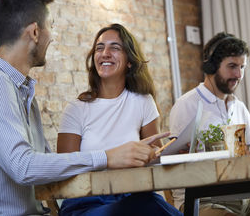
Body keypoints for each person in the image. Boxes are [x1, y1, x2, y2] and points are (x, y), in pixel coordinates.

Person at [0, 0, 168, 215]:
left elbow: (48, 164)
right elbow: (23, 167)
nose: (52, 36)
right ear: (35, 32)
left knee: (147, 205)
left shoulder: (21, 91)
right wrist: (107, 157)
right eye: (50, 26)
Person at [56, 23, 182, 216]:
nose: (105, 53)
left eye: (114, 48)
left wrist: (165, 152)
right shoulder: (76, 109)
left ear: (129, 61)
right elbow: (64, 170)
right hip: (86, 205)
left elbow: (156, 159)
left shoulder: (142, 102)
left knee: (147, 202)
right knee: (147, 206)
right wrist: (110, 159)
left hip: (133, 198)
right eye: (100, 48)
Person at [169, 32, 250, 215]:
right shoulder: (187, 105)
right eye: (232, 66)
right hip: (202, 201)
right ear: (211, 66)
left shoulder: (239, 107)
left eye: (242, 67)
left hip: (245, 198)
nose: (238, 74)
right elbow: (177, 166)